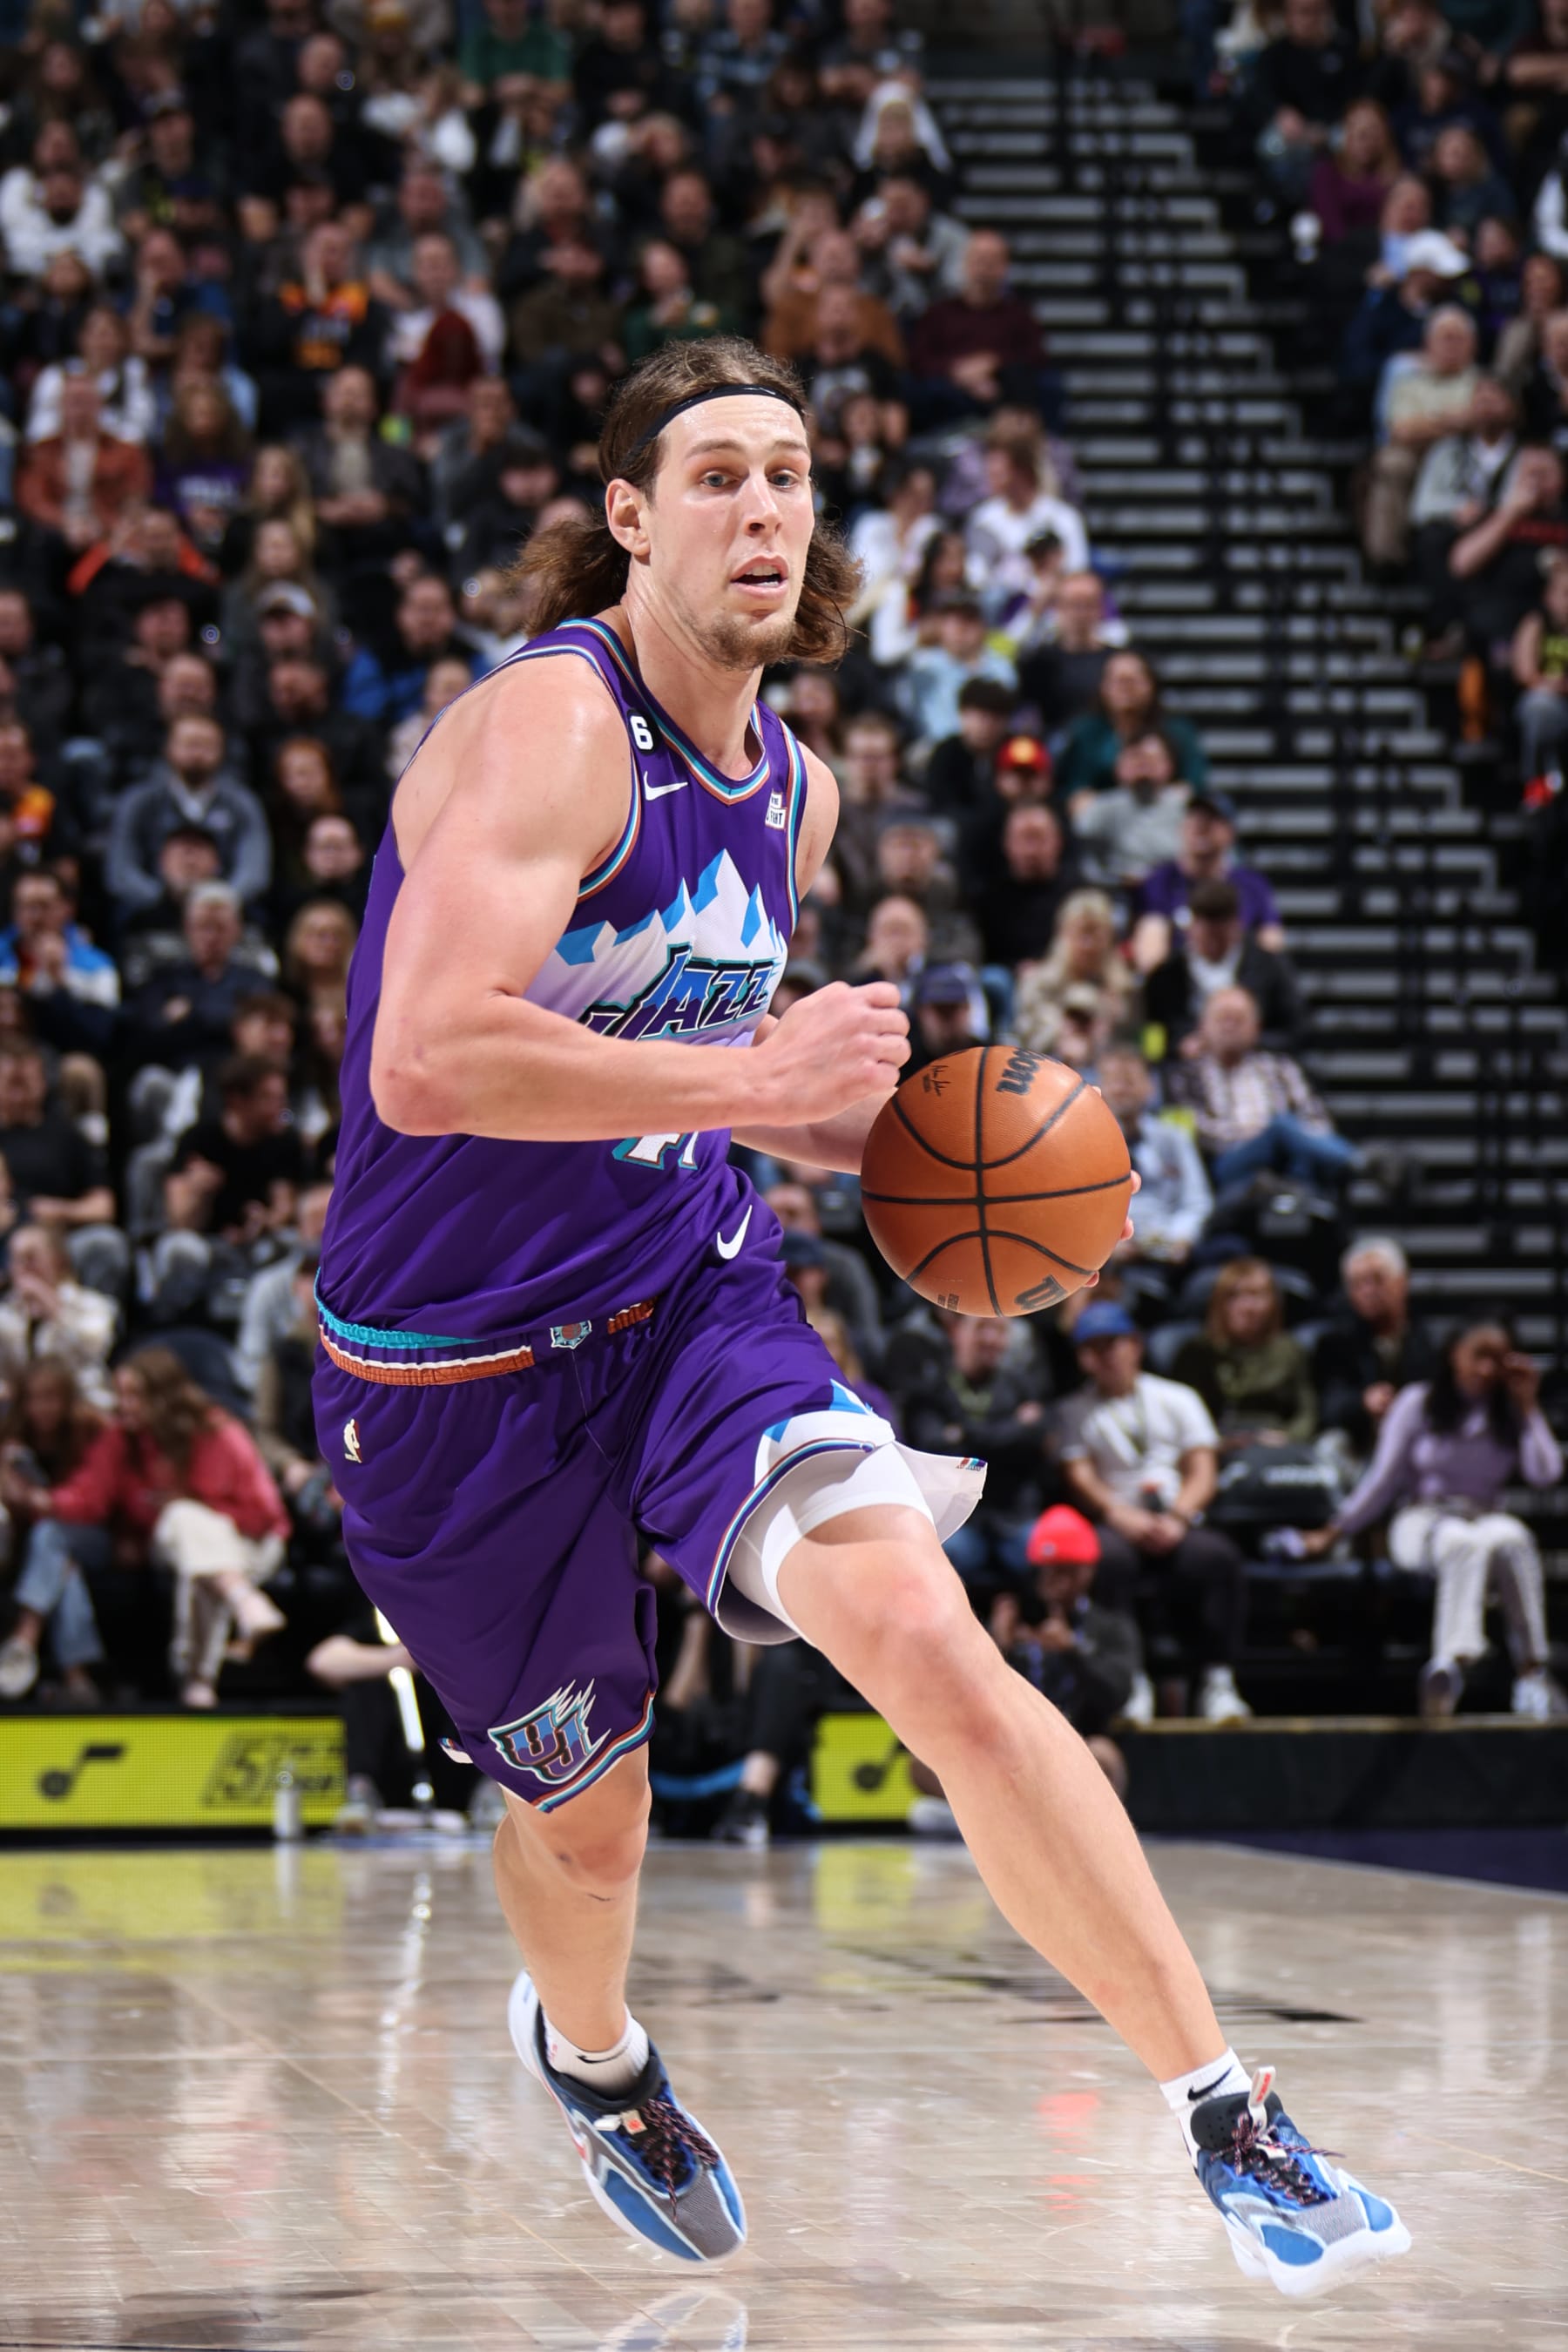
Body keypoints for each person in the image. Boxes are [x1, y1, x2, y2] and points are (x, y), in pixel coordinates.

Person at [311, 337, 1406, 2293]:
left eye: (791, 474)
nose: (760, 507)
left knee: (923, 1630)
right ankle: (596, 2059)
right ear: (631, 519)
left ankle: (1226, 2107)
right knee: (593, 1831)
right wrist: (753, 1084)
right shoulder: (547, 732)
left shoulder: (791, 789)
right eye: (716, 473)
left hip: (681, 1297)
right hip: (449, 1367)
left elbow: (687, 1065)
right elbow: (428, 1057)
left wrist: (861, 1145)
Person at [1, 1346, 289, 1708]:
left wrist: (197, 1504)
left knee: (192, 1538)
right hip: (180, 1544)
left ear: (163, 1395)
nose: (123, 1405)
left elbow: (263, 1515)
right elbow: (91, 1498)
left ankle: (197, 1681)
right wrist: (39, 1500)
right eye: (120, 1394)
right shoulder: (123, 1438)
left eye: (133, 1396)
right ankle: (242, 1602)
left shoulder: (219, 1432)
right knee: (185, 1534)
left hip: (250, 1541)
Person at [1305, 1322, 1566, 1720]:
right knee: (1463, 1543)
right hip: (1422, 1517)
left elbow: (1545, 1473)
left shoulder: (1508, 1410)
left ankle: (1531, 1673)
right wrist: (1336, 1529)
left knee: (1514, 1538)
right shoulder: (1418, 1402)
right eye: (1479, 1355)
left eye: (1496, 1359)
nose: (1486, 1369)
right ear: (1453, 1355)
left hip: (1485, 1514)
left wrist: (1528, 1405)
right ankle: (1452, 1662)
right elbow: (1383, 1478)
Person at [1058, 1301, 1253, 1725]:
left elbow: (1203, 1468)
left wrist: (1179, 1517)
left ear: (1135, 1346)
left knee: (1220, 1559)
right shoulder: (1074, 1410)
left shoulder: (1177, 1397)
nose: (1104, 1356)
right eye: (1092, 1349)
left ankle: (1219, 1681)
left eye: (1112, 1344)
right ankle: (1130, 1682)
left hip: (1176, 1515)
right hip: (1120, 1519)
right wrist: (1118, 1513)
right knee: (1104, 1560)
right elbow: (1081, 1475)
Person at [1176, 986, 1362, 1203]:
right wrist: (1264, 1136)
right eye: (1222, 1019)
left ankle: (1299, 1206)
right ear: (1202, 1027)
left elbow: (1317, 1120)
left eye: (1238, 1020)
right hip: (1227, 1161)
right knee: (1281, 1127)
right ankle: (1359, 1162)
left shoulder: (1281, 1068)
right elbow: (1194, 1131)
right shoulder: (1186, 1075)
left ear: (1256, 1028)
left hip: (1285, 1159)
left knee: (1300, 1157)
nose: (1229, 1026)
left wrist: (1284, 1140)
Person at [1143, 877, 1304, 1055]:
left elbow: (1296, 1029)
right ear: (1190, 928)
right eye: (1206, 935)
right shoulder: (1167, 975)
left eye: (1220, 936)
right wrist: (1176, 1046)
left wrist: (1251, 1041)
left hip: (1256, 1066)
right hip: (1185, 1070)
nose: (1213, 944)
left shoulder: (1269, 968)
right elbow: (1151, 1033)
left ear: (1237, 926)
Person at [1312, 1238, 1438, 1458]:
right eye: (1357, 1284)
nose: (1368, 1291)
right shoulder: (1335, 1343)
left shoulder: (1433, 1340)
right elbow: (1329, 1405)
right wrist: (1363, 1402)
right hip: (1360, 1443)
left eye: (1377, 1280)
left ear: (1402, 1282)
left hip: (1418, 1442)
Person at [1173, 1259, 1318, 1450]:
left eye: (1257, 1296)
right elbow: (1181, 1414)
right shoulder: (1196, 1352)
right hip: (1214, 1445)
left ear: (1273, 1303)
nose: (1247, 1307)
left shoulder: (1290, 1350)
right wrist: (1213, 1443)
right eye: (1234, 1297)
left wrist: (1287, 1437)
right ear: (1219, 1303)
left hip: (1275, 1442)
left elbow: (1307, 1412)